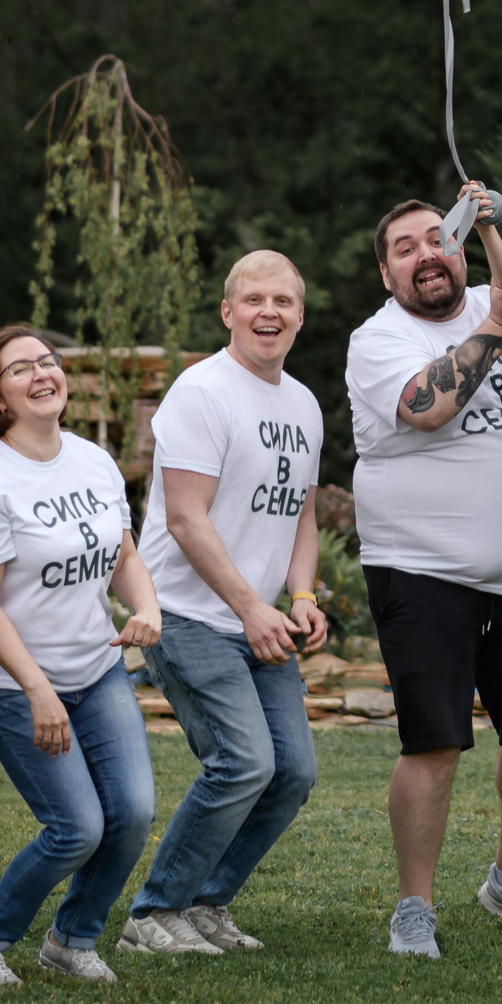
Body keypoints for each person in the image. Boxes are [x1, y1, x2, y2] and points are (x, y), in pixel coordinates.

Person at [346, 191, 502, 959]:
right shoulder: (378, 339)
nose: (425, 255)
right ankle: (414, 907)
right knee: (434, 740)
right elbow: (425, 405)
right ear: (388, 274)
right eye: (405, 249)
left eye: (435, 239)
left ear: (460, 249)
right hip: (419, 569)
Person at [121, 249, 329, 957]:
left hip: (258, 620)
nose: (268, 312)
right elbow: (185, 518)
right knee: (243, 762)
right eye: (253, 299)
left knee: (293, 769)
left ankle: (207, 901)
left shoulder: (302, 402)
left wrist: (299, 594)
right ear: (228, 312)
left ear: (300, 314)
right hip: (186, 613)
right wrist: (251, 606)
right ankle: (153, 913)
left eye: (283, 301)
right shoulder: (201, 391)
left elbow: (301, 511)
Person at [0, 326, 163, 987]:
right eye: (21, 369)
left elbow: (123, 555)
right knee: (76, 827)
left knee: (133, 812)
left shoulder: (94, 460)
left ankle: (72, 939)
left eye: (49, 361)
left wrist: (145, 606)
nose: (42, 373)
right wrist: (37, 688)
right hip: (14, 683)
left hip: (94, 671)